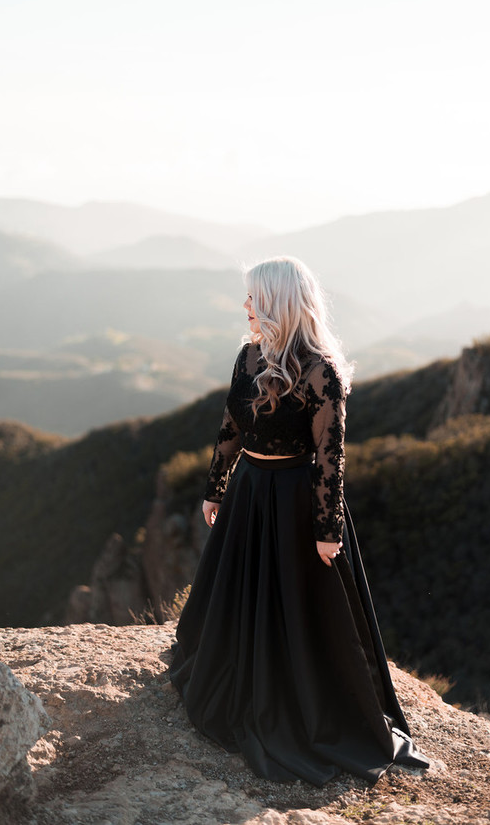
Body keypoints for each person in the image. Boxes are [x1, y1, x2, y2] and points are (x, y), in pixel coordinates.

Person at [169, 256, 428, 786]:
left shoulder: (320, 372)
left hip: (293, 502)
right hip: (247, 492)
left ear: (277, 302)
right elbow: (231, 425)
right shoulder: (248, 356)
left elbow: (331, 458)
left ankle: (298, 700)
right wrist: (216, 485)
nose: (245, 306)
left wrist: (327, 530)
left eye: (253, 297)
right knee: (241, 596)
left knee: (298, 606)